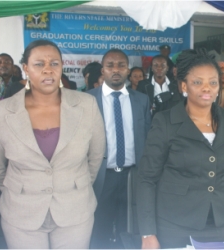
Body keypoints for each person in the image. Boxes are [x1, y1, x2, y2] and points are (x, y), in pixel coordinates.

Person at [0, 39, 106, 249]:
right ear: (25, 68)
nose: (48, 70)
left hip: (74, 210)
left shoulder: (86, 105)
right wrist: (16, 189)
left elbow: (96, 155)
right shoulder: (1, 111)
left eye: (54, 64)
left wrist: (77, 184)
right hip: (21, 212)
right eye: (39, 64)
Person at [137, 49, 224, 249]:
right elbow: (147, 179)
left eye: (212, 82)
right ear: (184, 85)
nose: (206, 88)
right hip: (177, 224)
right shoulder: (165, 121)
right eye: (197, 82)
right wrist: (148, 233)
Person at [88, 49, 151, 249]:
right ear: (102, 70)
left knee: (130, 229)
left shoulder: (141, 100)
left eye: (121, 65)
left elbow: (147, 137)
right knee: (99, 230)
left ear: (128, 70)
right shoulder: (87, 100)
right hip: (101, 176)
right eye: (110, 65)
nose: (116, 70)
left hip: (132, 176)